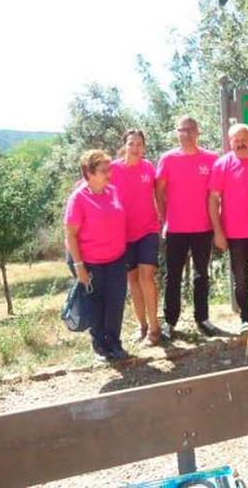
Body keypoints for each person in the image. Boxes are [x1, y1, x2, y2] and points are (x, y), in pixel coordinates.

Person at [156, 116, 220, 339]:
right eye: (182, 130)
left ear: (198, 132)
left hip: (203, 227)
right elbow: (159, 191)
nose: (187, 134)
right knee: (173, 276)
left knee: (202, 275)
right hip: (176, 229)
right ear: (176, 132)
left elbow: (217, 194)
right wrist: (164, 220)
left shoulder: (212, 159)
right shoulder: (168, 159)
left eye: (191, 129)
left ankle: (202, 319)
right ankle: (170, 321)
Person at [64, 149, 128, 361]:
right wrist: (79, 266)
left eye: (108, 169)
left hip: (116, 258)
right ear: (88, 173)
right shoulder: (78, 199)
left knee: (115, 303)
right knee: (96, 305)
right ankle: (100, 346)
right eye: (103, 170)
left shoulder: (113, 192)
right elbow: (71, 235)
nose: (108, 174)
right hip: (90, 262)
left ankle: (115, 344)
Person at [209, 123, 248, 334]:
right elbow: (213, 200)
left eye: (243, 139)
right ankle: (246, 319)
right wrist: (218, 232)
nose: (240, 143)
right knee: (241, 281)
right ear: (229, 142)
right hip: (234, 235)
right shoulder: (222, 165)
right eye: (236, 140)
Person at [109, 129, 161, 346]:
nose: (136, 148)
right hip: (122, 234)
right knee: (132, 279)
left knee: (146, 277)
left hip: (148, 230)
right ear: (124, 146)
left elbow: (160, 193)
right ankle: (142, 326)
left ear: (144, 146)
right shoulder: (112, 169)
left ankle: (155, 330)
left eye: (139, 144)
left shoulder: (149, 168)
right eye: (131, 144)